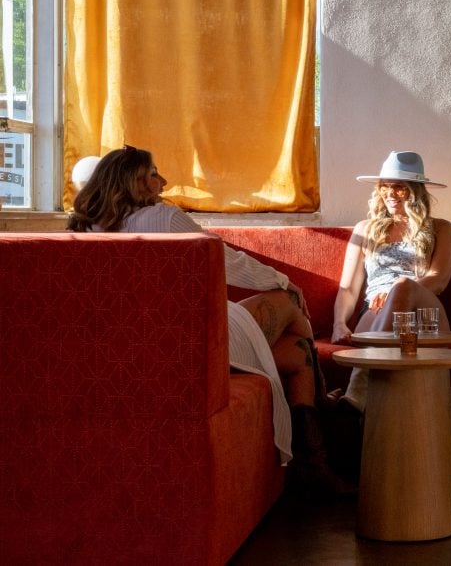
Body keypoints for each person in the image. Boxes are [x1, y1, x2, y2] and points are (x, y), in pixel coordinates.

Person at [67, 145, 354, 497]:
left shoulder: (82, 228)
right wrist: (286, 281)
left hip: (140, 343)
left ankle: (314, 465)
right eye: (155, 173)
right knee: (288, 299)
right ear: (136, 182)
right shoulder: (164, 218)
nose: (163, 180)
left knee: (297, 353)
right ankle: (321, 422)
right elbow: (225, 260)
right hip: (193, 337)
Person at [331, 151, 451, 410]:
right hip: (375, 311)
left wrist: (396, 292)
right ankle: (363, 418)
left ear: (415, 191)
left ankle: (355, 395)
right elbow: (348, 288)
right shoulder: (365, 229)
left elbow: (439, 279)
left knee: (402, 286)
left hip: (425, 311)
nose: (389, 193)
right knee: (382, 308)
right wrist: (339, 323)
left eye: (398, 187)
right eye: (384, 187)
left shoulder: (441, 228)